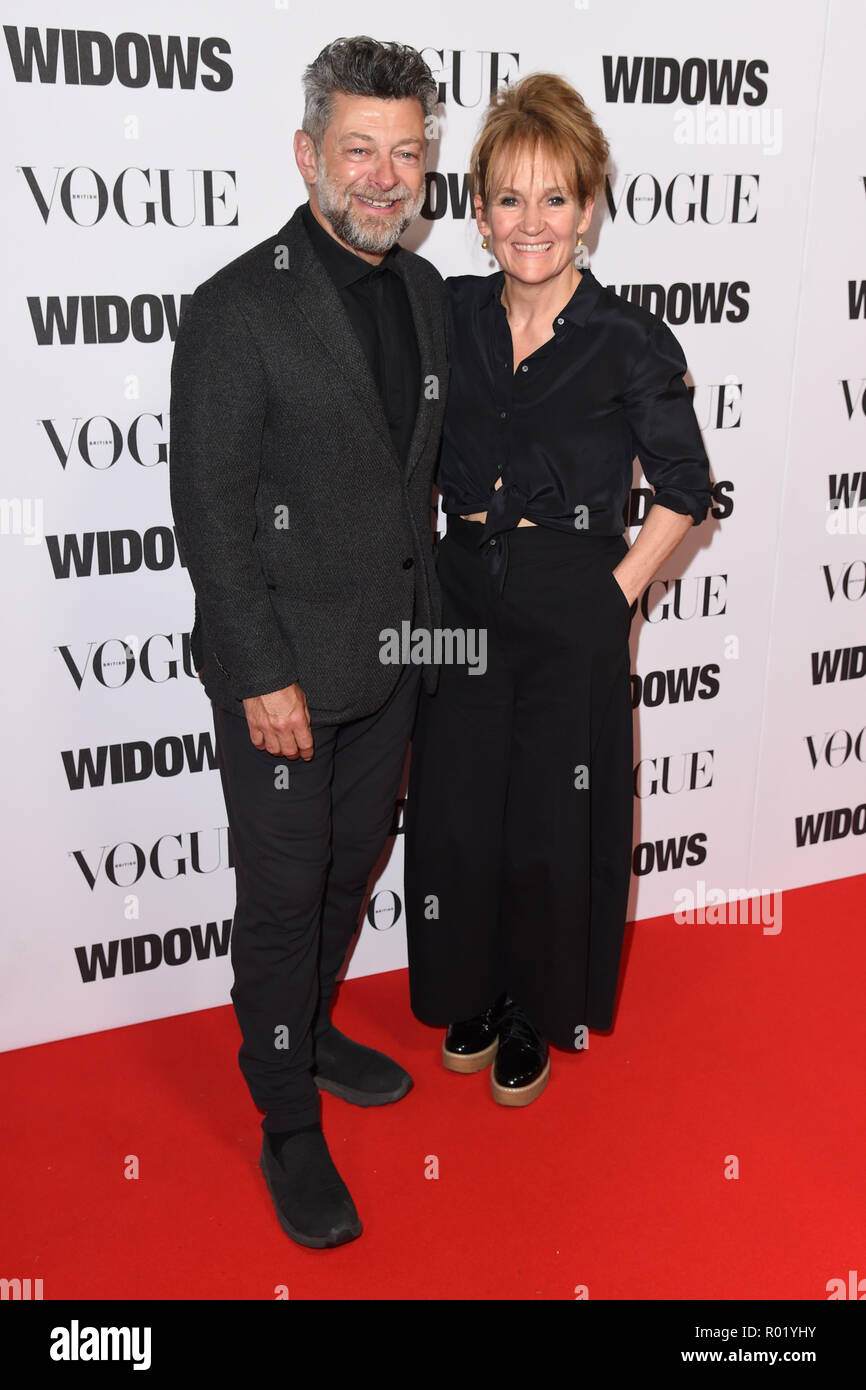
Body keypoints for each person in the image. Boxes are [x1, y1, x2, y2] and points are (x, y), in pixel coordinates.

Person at [169, 36, 447, 1248]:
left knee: (348, 869)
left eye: (404, 153)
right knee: (283, 896)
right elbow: (210, 512)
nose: (382, 179)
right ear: (306, 155)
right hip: (282, 676)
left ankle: (312, 1027)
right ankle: (285, 1114)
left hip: (394, 662)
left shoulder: (428, 291)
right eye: (357, 152)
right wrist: (262, 674)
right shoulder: (236, 309)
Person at [404, 73, 713, 1107]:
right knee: (455, 808)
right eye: (507, 198)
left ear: (586, 209)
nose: (528, 222)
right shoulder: (446, 313)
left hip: (570, 593)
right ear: (479, 211)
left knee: (549, 814)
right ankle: (473, 991)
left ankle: (535, 1009)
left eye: (553, 198)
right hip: (459, 597)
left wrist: (615, 595)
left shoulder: (627, 339)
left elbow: (683, 486)